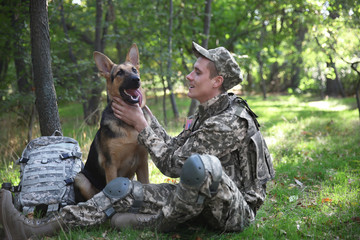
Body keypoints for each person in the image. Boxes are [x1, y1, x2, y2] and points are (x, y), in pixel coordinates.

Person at [0, 42, 275, 239]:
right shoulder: (207, 114)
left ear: (217, 81)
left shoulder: (229, 121)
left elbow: (174, 165)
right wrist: (142, 110)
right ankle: (37, 228)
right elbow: (171, 144)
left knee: (200, 167)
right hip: (198, 199)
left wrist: (141, 124)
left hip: (232, 210)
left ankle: (160, 221)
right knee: (120, 189)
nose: (189, 76)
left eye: (197, 73)